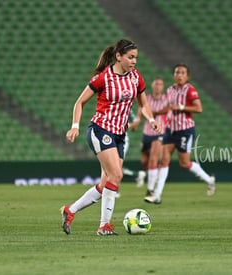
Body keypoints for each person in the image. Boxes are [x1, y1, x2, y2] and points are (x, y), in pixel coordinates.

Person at [61, 39, 161, 236]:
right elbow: (79, 102)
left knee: (106, 183)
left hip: (119, 134)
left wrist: (150, 119)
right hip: (100, 130)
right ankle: (104, 226)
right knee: (116, 175)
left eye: (136, 58)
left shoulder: (135, 77)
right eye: (130, 57)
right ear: (118, 56)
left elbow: (143, 103)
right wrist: (75, 126)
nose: (134, 62)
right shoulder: (103, 78)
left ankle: (70, 211)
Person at [145, 64, 216, 204]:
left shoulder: (190, 90)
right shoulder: (170, 89)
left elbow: (199, 108)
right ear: (174, 75)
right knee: (164, 161)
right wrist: (158, 113)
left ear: (187, 76)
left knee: (185, 163)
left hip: (185, 130)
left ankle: (209, 180)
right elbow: (170, 107)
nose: (179, 75)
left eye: (183, 73)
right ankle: (157, 195)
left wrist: (182, 107)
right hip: (170, 130)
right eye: (177, 72)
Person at [133, 77, 170, 196]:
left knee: (153, 159)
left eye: (160, 84)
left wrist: (153, 113)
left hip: (159, 132)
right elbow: (139, 114)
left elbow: (168, 110)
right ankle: (153, 177)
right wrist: (136, 123)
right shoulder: (146, 98)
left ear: (163, 87)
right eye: (156, 84)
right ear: (152, 86)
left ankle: (150, 189)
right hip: (146, 133)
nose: (158, 86)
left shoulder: (167, 99)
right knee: (145, 161)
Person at [121, 110, 146, 188]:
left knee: (115, 166)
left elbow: (135, 125)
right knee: (112, 166)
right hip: (109, 139)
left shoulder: (126, 107)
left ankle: (115, 191)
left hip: (121, 140)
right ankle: (137, 174)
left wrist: (126, 125)